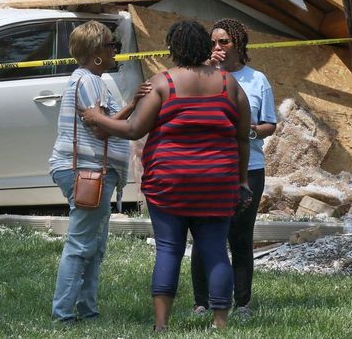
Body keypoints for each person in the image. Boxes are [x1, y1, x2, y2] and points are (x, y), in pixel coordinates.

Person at [83, 20, 251, 331]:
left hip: (169, 182)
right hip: (217, 182)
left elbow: (134, 129)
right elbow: (243, 137)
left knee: (169, 250)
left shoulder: (164, 83)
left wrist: (97, 118)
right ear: (204, 47)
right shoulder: (229, 84)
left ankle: (161, 325)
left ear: (173, 50)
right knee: (215, 250)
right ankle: (220, 323)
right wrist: (241, 181)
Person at [48, 21, 150, 324]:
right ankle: (64, 315)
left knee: (94, 246)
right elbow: (101, 129)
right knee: (81, 245)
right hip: (87, 170)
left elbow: (101, 123)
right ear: (95, 54)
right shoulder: (88, 81)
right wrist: (133, 104)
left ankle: (87, 311)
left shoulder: (92, 79)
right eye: (111, 45)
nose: (116, 50)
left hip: (93, 171)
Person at [191, 18, 277, 322]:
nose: (218, 48)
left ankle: (242, 303)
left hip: (249, 167)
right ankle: (201, 302)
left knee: (240, 237)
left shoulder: (257, 80)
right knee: (205, 235)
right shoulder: (201, 76)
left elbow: (270, 124)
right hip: (209, 168)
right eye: (213, 42)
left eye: (224, 42)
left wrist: (246, 131)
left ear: (239, 44)